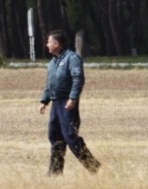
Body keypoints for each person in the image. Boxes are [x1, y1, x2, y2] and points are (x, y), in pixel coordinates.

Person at [39, 29, 101, 174]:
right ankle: (55, 172)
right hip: (56, 103)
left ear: (57, 43)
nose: (47, 45)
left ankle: (92, 166)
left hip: (68, 103)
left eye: (49, 42)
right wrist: (44, 101)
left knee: (70, 136)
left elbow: (78, 79)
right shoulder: (53, 62)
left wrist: (73, 98)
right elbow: (50, 84)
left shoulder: (72, 58)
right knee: (55, 136)